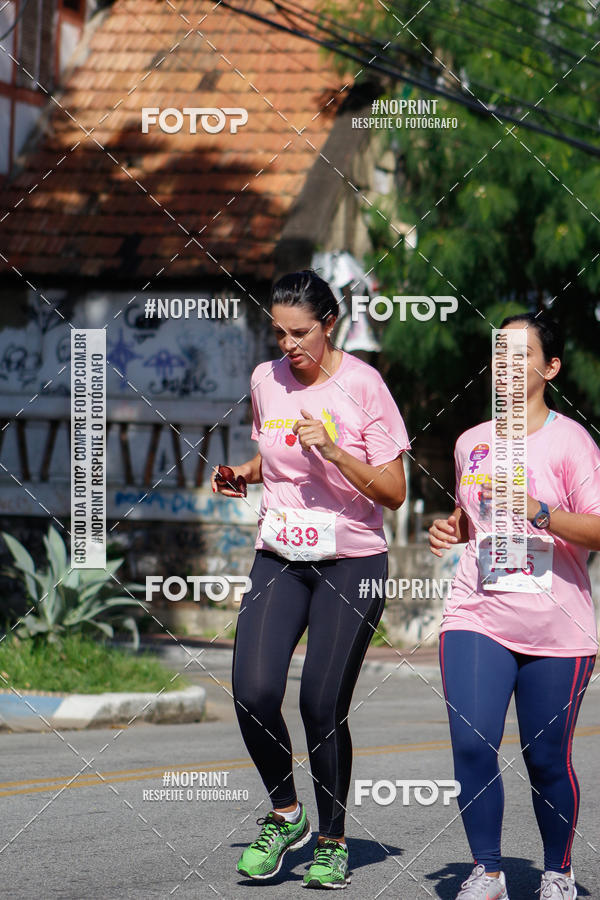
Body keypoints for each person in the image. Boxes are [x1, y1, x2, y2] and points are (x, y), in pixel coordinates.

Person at [212, 269, 410, 889]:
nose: (288, 345)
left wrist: (335, 451)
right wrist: (245, 472)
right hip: (280, 555)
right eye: (279, 333)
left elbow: (397, 492)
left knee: (320, 702)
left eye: (300, 333)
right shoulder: (265, 381)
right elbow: (275, 456)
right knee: (252, 690)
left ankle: (331, 838)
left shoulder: (363, 386)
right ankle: (285, 813)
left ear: (329, 325)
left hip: (351, 561)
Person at [429, 312, 600, 900]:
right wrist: (450, 529)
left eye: (521, 355)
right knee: (473, 741)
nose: (505, 366)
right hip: (477, 612)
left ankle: (558, 872)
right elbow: (469, 516)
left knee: (546, 757)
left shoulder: (571, 441)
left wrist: (539, 510)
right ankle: (488, 871)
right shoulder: (470, 442)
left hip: (560, 627)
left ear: (550, 368)